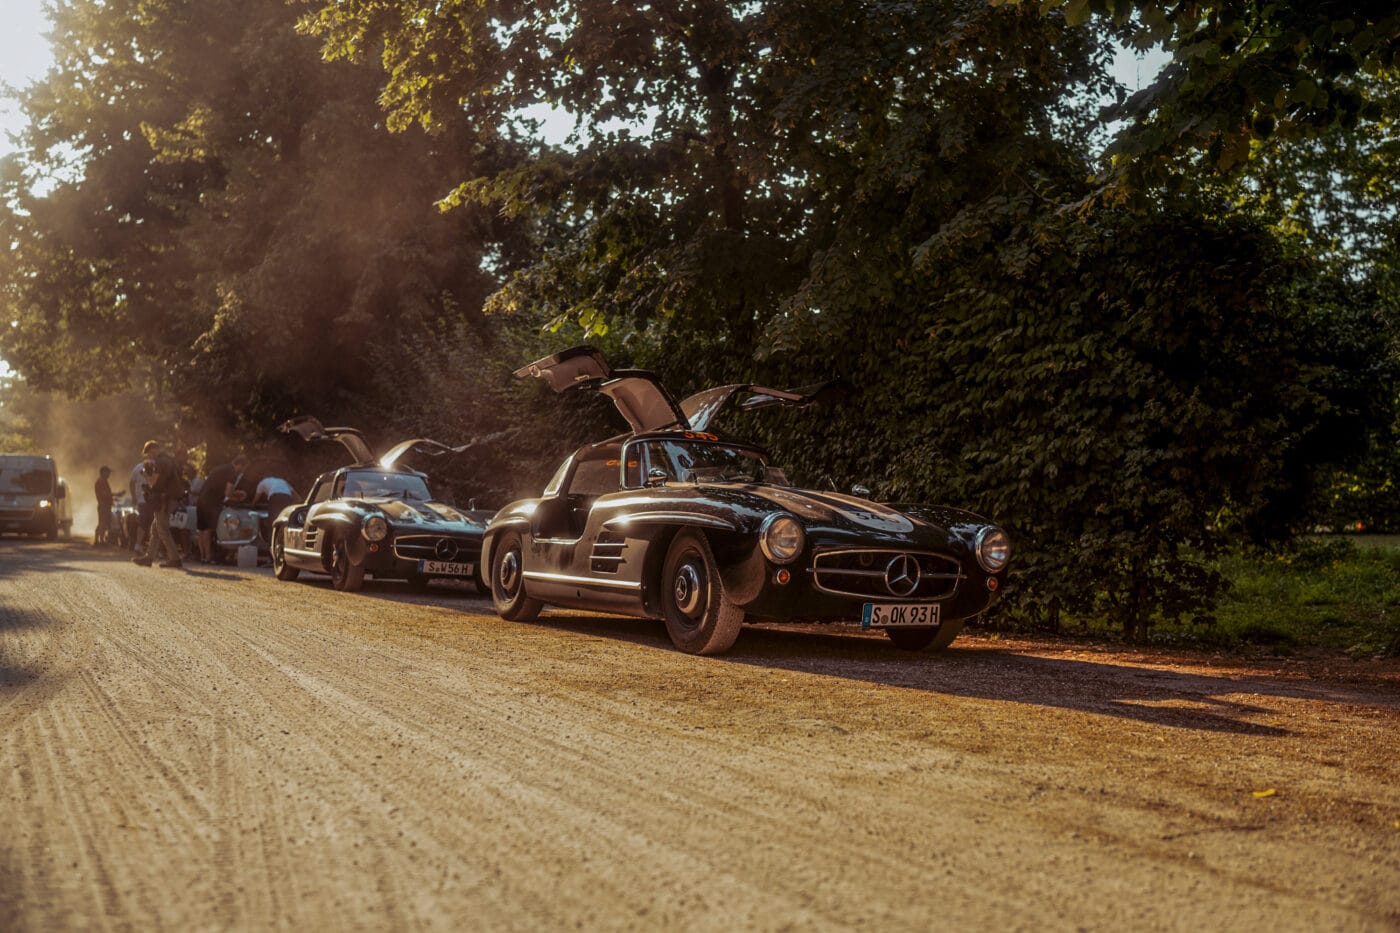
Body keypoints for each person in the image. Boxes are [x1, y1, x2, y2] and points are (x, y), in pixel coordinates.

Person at [132, 440, 183, 569]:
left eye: (148, 454)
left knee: (162, 530)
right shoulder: (169, 460)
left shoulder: (160, 462)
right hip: (170, 499)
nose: (149, 457)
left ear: (153, 450)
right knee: (155, 529)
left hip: (164, 500)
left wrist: (145, 474)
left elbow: (153, 483)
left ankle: (175, 559)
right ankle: (149, 557)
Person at [198, 454, 246, 563]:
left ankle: (202, 557)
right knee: (208, 530)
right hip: (211, 502)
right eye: (243, 469)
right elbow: (228, 493)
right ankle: (209, 557)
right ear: (240, 465)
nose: (242, 472)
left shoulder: (220, 468)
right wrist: (238, 496)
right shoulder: (232, 473)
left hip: (201, 498)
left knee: (201, 529)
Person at [250, 473, 297, 544]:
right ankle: (285, 542)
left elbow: (256, 498)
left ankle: (271, 543)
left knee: (273, 521)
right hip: (287, 498)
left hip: (275, 498)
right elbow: (297, 496)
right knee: (285, 520)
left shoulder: (262, 482)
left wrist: (251, 506)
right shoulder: (282, 481)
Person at [92, 466, 123, 546]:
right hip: (103, 505)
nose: (109, 474)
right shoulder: (100, 481)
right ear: (103, 472)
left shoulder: (103, 481)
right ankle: (100, 541)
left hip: (105, 505)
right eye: (108, 472)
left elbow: (106, 495)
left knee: (102, 523)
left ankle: (98, 541)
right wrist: (116, 494)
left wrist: (114, 498)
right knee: (103, 523)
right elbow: (104, 494)